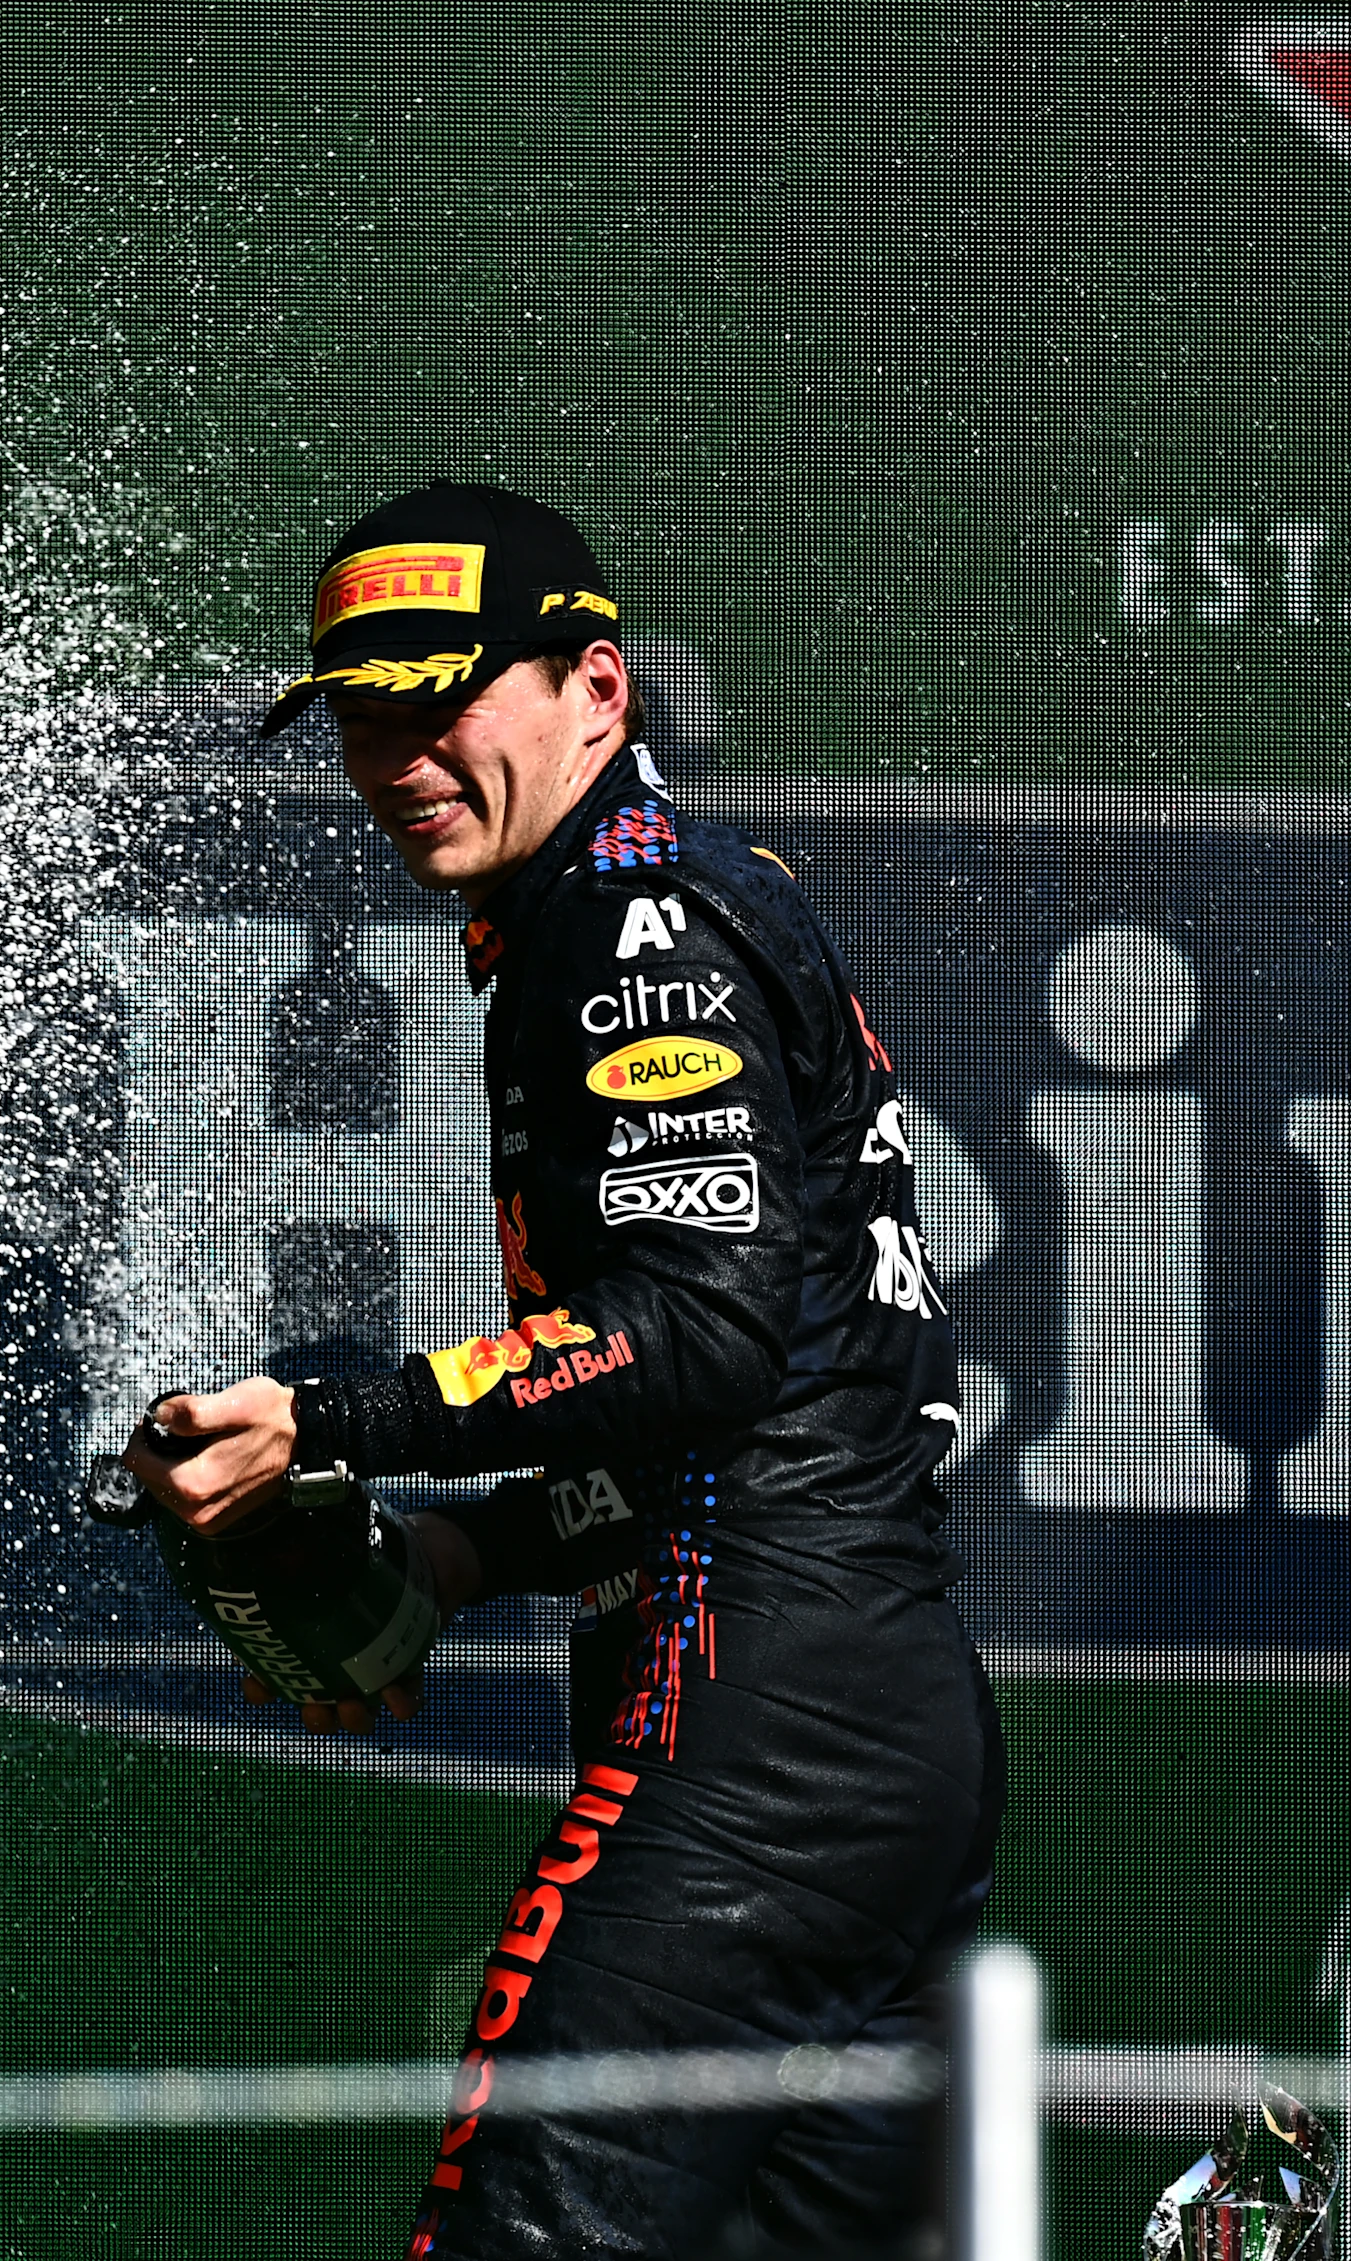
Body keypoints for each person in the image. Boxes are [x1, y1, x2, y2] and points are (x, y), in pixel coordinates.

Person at [121, 481, 1005, 2258]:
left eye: (442, 697)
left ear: (596, 689)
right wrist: (461, 1556)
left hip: (753, 1735)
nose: (395, 754)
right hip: (866, 1721)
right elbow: (767, 1402)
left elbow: (700, 1326)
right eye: (361, 713)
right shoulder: (636, 911)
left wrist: (336, 1416)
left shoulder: (631, 928)